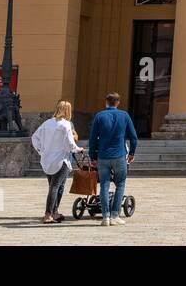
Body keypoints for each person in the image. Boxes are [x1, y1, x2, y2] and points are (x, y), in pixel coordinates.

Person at [88, 93, 137, 226]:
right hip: (119, 155)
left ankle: (106, 217)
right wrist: (132, 152)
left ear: (106, 102)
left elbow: (92, 139)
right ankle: (115, 215)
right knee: (120, 184)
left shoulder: (99, 116)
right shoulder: (125, 115)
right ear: (118, 102)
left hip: (103, 156)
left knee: (104, 184)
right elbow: (133, 137)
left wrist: (92, 156)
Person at [31, 100, 83, 224]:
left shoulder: (46, 123)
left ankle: (54, 212)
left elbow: (34, 138)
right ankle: (48, 215)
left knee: (52, 186)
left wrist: (41, 151)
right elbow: (71, 144)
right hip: (61, 160)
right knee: (55, 187)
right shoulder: (65, 124)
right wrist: (78, 149)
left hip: (47, 160)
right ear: (68, 111)